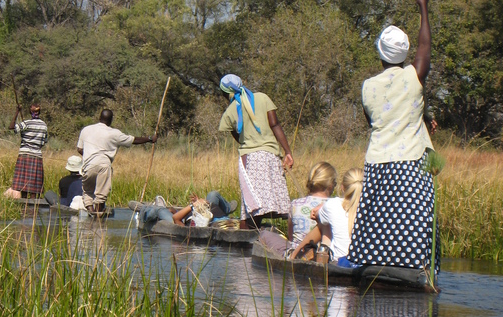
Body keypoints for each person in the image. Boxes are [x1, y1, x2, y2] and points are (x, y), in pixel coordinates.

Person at [347, 0, 440, 272]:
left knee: (379, 225)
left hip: (378, 164)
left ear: (380, 54)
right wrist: (423, 6)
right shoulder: (414, 77)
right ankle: (416, 270)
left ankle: (374, 267)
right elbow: (425, 48)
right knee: (413, 223)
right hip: (410, 164)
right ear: (405, 54)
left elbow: (372, 121)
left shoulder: (368, 87)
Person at [218, 74, 293, 230]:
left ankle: (245, 241)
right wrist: (287, 152)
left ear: (226, 94)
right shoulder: (263, 98)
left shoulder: (230, 111)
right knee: (265, 201)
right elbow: (275, 125)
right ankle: (259, 236)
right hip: (270, 156)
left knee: (250, 205)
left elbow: (238, 136)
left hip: (250, 159)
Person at [77, 109, 157, 217]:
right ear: (110, 121)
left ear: (99, 118)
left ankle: (91, 211)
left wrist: (89, 155)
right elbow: (133, 140)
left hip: (88, 165)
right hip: (104, 165)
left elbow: (80, 149)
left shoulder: (86, 130)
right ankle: (98, 215)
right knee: (101, 194)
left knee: (87, 191)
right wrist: (149, 138)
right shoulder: (114, 133)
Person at [289, 167, 363, 262]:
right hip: (364, 263)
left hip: (339, 262)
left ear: (342, 187)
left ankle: (295, 255)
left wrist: (321, 208)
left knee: (324, 225)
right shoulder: (373, 209)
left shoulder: (333, 204)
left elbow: (314, 215)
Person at [6, 103, 48, 199]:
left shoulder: (27, 123)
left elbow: (11, 127)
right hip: (37, 156)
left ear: (30, 112)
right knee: (34, 187)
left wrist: (17, 111)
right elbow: (44, 142)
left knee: (22, 186)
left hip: (24, 156)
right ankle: (33, 208)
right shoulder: (44, 125)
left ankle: (23, 206)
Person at [139, 192, 237, 227]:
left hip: (182, 218)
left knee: (160, 211)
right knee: (213, 194)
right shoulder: (217, 216)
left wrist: (193, 205)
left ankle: (144, 209)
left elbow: (175, 218)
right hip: (202, 210)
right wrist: (202, 203)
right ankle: (227, 208)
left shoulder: (195, 225)